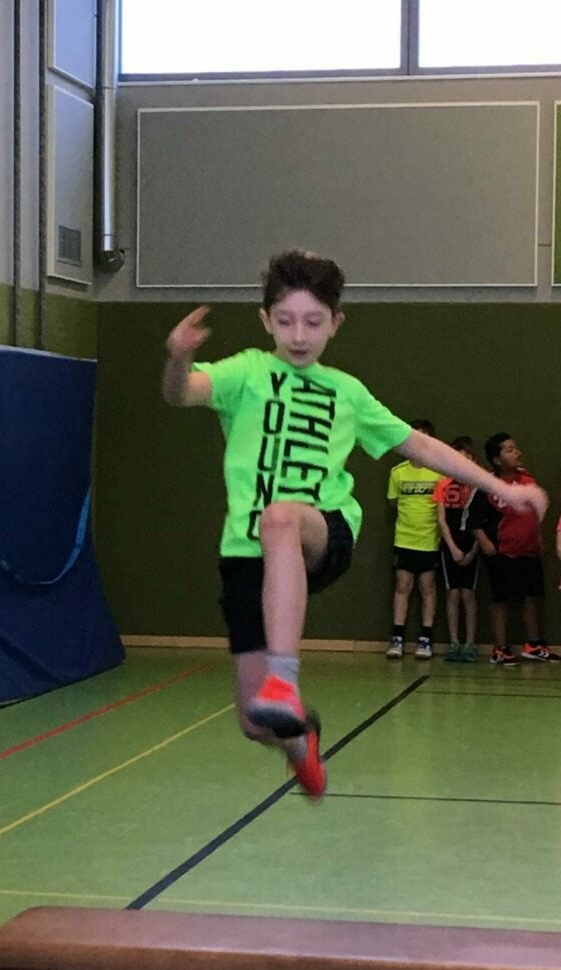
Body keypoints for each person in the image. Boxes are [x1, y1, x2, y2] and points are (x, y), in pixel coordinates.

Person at [162, 250, 548, 800]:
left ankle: (285, 680)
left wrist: (502, 488)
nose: (300, 335)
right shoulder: (246, 372)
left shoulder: (347, 392)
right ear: (266, 320)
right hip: (247, 555)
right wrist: (178, 357)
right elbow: (181, 392)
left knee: (280, 517)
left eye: (313, 321)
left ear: (336, 323)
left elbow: (421, 447)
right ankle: (299, 738)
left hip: (325, 533)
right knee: (254, 722)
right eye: (286, 321)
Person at [469, 434, 557, 665]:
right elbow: (473, 519)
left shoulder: (528, 480)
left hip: (528, 551)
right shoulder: (488, 485)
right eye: (509, 450)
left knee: (531, 597)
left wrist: (538, 538)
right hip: (501, 552)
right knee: (501, 599)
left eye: (516, 448)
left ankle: (533, 645)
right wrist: (486, 543)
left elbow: (535, 513)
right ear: (497, 460)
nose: (516, 453)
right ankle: (500, 649)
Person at [386, 419, 443, 661]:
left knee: (428, 587)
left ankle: (425, 639)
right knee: (403, 586)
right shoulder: (397, 472)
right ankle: (397, 638)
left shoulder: (438, 471)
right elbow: (393, 502)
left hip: (429, 540)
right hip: (404, 539)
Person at [432, 437, 480, 662]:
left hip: (471, 546)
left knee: (468, 594)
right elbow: (441, 520)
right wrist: (452, 548)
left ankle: (470, 643)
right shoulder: (443, 484)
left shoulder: (477, 487)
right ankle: (454, 642)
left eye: (465, 457)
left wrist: (472, 551)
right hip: (450, 546)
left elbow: (481, 521)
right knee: (452, 593)